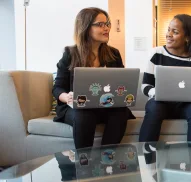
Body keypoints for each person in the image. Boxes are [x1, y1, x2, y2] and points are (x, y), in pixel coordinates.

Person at [52, 7, 134, 149]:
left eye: (107, 24)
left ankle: (107, 160)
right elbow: (57, 87)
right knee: (84, 115)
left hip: (107, 106)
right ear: (85, 27)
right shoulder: (70, 53)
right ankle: (84, 164)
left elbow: (122, 83)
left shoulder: (113, 53)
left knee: (121, 112)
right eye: (100, 24)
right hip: (77, 108)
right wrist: (67, 97)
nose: (107, 28)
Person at [139, 14, 191, 143]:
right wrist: (158, 94)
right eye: (168, 29)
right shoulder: (157, 53)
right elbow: (146, 86)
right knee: (154, 108)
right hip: (160, 104)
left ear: (187, 37)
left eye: (175, 32)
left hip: (186, 106)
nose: (168, 34)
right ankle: (145, 158)